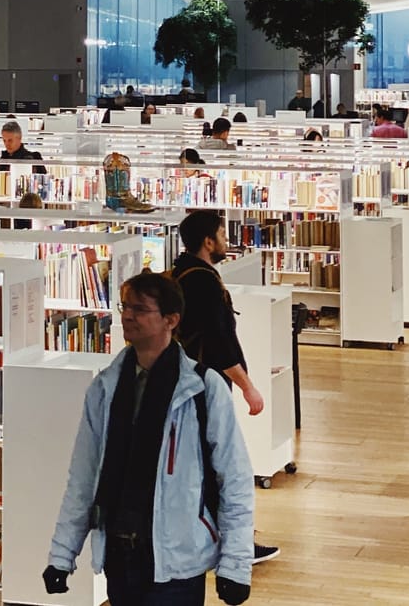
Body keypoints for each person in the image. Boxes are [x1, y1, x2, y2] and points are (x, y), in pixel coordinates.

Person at [42, 272, 254, 605]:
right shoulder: (105, 389)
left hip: (178, 564)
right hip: (119, 558)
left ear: (171, 319)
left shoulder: (203, 389)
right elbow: (83, 478)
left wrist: (236, 566)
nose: (127, 316)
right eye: (125, 307)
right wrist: (62, 555)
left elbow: (235, 479)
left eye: (140, 309)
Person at [171, 211, 279, 565]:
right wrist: (248, 387)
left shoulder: (181, 273)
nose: (227, 241)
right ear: (208, 241)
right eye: (222, 234)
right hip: (206, 386)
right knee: (223, 466)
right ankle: (235, 545)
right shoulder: (203, 282)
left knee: (201, 464)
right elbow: (219, 343)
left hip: (185, 383)